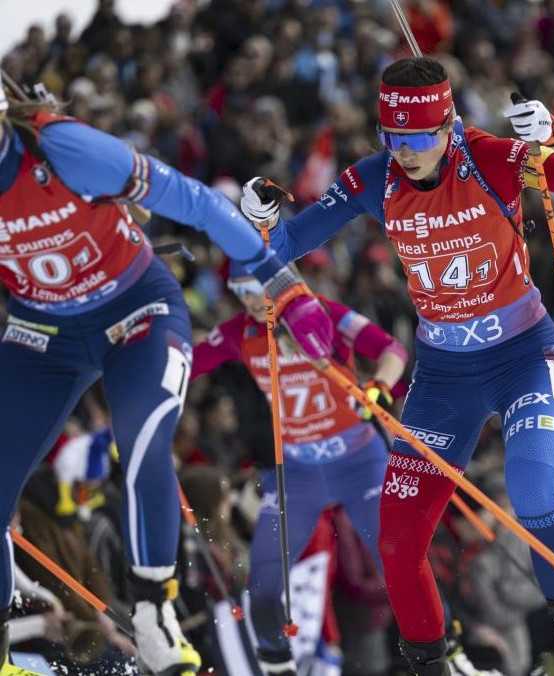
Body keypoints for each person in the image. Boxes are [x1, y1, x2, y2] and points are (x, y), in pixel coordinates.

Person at [239, 56, 554, 675]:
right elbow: (285, 245)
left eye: (422, 136)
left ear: (448, 127)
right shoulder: (374, 179)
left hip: (523, 355)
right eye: (396, 138)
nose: (409, 152)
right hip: (446, 376)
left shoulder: (492, 158)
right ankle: (430, 662)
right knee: (395, 538)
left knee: (531, 493)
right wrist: (256, 226)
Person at [0, 77, 331, 676]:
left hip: (135, 311)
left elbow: (197, 203)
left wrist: (281, 282)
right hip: (44, 332)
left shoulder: (64, 149)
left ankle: (155, 611)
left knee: (144, 435)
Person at [190, 262, 407, 676]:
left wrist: (378, 386)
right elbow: (191, 362)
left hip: (357, 461)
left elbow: (392, 351)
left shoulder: (322, 312)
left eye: (259, 290)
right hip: (299, 470)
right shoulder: (241, 331)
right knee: (265, 577)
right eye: (241, 292)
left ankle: (442, 647)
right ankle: (275, 663)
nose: (252, 302)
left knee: (395, 558)